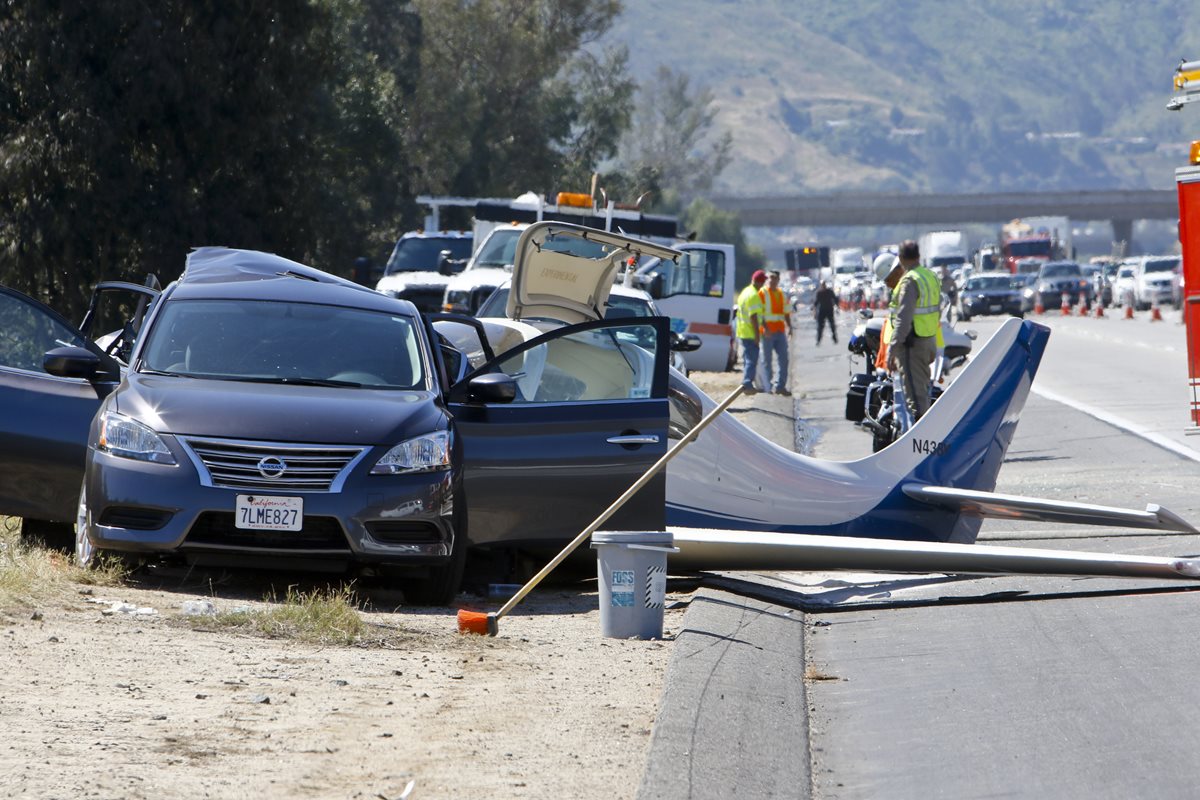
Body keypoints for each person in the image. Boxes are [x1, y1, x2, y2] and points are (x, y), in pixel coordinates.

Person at [886, 240, 942, 421]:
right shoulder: (929, 276)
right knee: (923, 393)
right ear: (918, 256)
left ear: (901, 258)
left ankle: (923, 443)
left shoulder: (909, 281)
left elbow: (903, 319)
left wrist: (892, 350)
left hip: (912, 345)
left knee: (916, 400)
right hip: (929, 340)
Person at [758, 270, 792, 395]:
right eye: (770, 278)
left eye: (774, 278)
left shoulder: (782, 294)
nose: (772, 280)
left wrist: (790, 327)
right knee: (767, 361)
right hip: (767, 333)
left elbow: (786, 312)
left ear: (778, 280)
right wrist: (765, 328)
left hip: (779, 331)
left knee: (784, 360)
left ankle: (780, 386)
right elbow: (759, 313)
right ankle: (768, 387)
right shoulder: (762, 293)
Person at [735, 269, 768, 394]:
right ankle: (747, 383)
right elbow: (753, 317)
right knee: (751, 359)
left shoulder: (745, 292)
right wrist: (757, 336)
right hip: (749, 332)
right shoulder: (754, 295)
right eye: (763, 282)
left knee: (747, 358)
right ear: (760, 282)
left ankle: (747, 382)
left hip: (742, 331)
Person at [813, 280, 837, 345]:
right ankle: (818, 340)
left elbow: (835, 298)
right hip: (822, 311)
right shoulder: (819, 293)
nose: (823, 286)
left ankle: (835, 338)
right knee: (820, 327)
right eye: (822, 285)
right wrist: (814, 311)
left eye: (824, 285)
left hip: (829, 310)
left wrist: (836, 306)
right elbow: (816, 302)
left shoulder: (829, 291)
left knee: (832, 325)